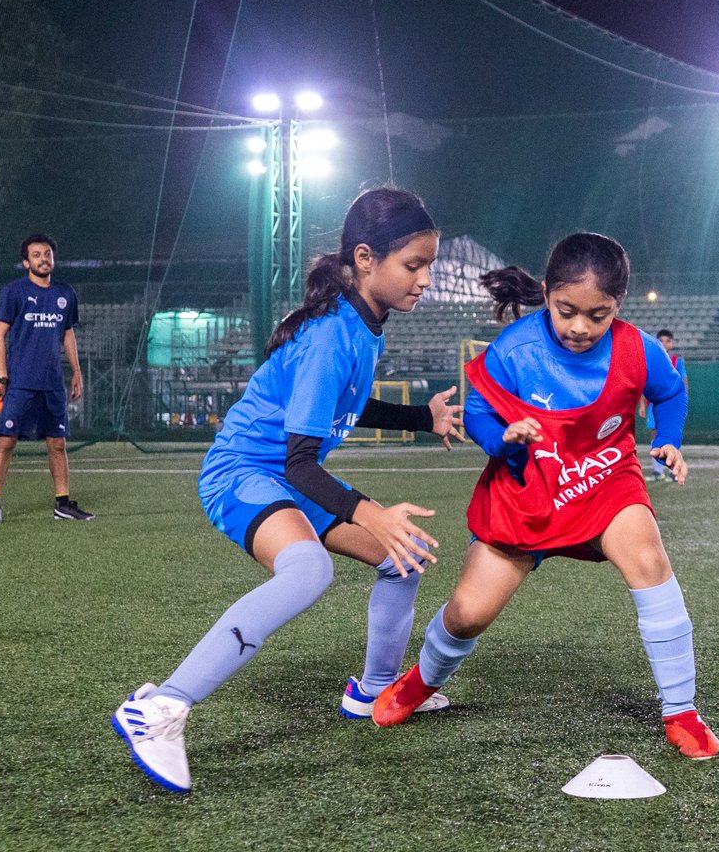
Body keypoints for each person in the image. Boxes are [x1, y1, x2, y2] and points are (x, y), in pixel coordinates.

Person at [110, 188, 463, 792]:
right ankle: (162, 708)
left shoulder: (363, 323)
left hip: (287, 473)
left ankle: (374, 692)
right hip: (244, 472)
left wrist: (419, 419)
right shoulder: (331, 335)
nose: (426, 279)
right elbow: (300, 463)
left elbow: (343, 407)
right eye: (414, 265)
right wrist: (370, 512)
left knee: (402, 561)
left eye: (429, 264)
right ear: (366, 258)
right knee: (307, 572)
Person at [371, 232, 719, 761]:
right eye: (567, 310)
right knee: (468, 613)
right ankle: (421, 681)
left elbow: (670, 392)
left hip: (606, 480)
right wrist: (502, 439)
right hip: (526, 488)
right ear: (547, 293)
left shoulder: (637, 348)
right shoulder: (515, 348)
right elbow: (483, 414)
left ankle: (682, 710)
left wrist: (668, 440)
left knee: (649, 559)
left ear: (617, 306)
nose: (580, 327)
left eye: (597, 315)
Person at [0, 233, 92, 524]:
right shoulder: (13, 292)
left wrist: (77, 371)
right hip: (20, 382)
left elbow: (68, 334)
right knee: (6, 443)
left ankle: (63, 503)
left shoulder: (66, 294)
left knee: (57, 444)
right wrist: (2, 377)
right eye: (36, 254)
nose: (43, 258)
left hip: (53, 383)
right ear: (25, 261)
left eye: (47, 254)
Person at [637, 328, 687, 481]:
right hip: (653, 403)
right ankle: (658, 472)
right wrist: (642, 405)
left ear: (672, 344)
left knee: (670, 434)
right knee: (654, 433)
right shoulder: (650, 358)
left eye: (668, 341)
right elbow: (642, 382)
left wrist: (683, 401)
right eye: (662, 341)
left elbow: (683, 381)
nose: (665, 343)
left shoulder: (677, 361)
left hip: (669, 403)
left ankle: (673, 471)